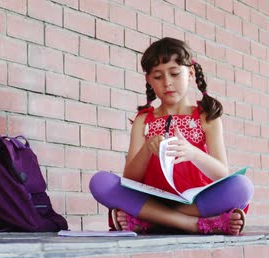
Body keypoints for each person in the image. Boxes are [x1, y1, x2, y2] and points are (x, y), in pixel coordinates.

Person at [89, 37, 254, 235]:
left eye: (175, 73)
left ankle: (153, 220)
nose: (167, 83)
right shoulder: (143, 121)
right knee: (100, 182)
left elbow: (222, 174)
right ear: (149, 80)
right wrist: (147, 149)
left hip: (195, 201)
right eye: (158, 77)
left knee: (242, 187)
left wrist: (193, 153)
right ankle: (195, 224)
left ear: (191, 73)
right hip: (153, 199)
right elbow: (131, 179)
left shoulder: (206, 117)